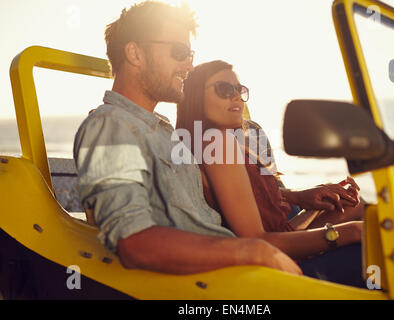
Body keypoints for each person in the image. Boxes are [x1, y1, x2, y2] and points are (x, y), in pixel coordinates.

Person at [73, 1, 302, 276]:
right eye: (179, 52)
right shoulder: (110, 126)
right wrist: (254, 251)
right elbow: (132, 242)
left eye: (190, 54)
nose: (189, 65)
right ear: (135, 53)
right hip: (223, 279)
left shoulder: (161, 129)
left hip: (235, 269)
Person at [176, 60, 366, 286]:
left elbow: (273, 230)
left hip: (277, 248)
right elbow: (257, 241)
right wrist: (350, 232)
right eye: (224, 89)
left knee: (358, 206)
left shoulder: (204, 140)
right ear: (196, 96)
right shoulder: (218, 143)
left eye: (240, 90)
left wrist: (310, 207)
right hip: (275, 269)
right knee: (374, 238)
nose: (236, 97)